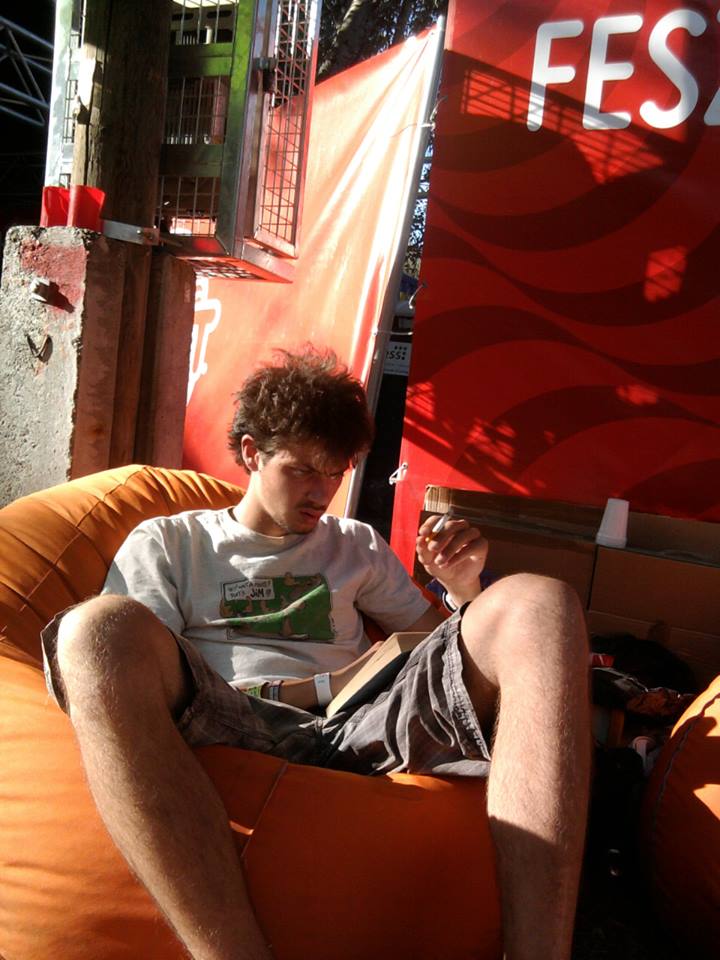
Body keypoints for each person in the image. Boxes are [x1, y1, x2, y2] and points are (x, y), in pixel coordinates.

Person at [43, 348, 591, 960]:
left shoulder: (356, 543)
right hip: (230, 718)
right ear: (252, 452)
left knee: (540, 601)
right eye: (303, 469)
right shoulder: (173, 541)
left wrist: (462, 589)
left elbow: (444, 654)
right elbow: (148, 676)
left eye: (335, 472)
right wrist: (316, 687)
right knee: (92, 631)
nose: (321, 492)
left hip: (360, 723)